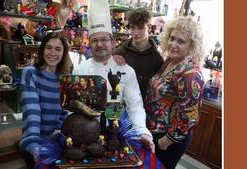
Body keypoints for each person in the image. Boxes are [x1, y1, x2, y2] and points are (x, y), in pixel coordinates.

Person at [73, 0, 154, 152]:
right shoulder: (81, 69)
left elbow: (135, 105)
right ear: (89, 43)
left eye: (104, 39)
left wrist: (142, 131)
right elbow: (73, 106)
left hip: (116, 134)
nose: (99, 44)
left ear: (112, 42)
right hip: (85, 134)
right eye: (94, 40)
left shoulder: (127, 71)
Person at [144, 16, 206, 169]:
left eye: (181, 41)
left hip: (168, 138)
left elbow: (191, 117)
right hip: (153, 131)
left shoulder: (191, 74)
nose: (173, 44)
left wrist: (166, 141)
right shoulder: (170, 61)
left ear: (192, 46)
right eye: (172, 38)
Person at [19, 32, 72, 169]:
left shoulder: (65, 79)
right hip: (35, 144)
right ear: (42, 50)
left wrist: (58, 134)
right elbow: (32, 111)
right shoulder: (31, 73)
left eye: (58, 49)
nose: (52, 53)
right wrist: (34, 145)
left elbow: (64, 113)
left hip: (56, 145)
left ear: (64, 53)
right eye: (48, 47)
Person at [114, 8, 164, 101]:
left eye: (141, 28)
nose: (136, 33)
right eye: (133, 27)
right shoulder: (119, 52)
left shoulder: (157, 59)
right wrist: (111, 59)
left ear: (149, 28)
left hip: (144, 110)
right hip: (119, 106)